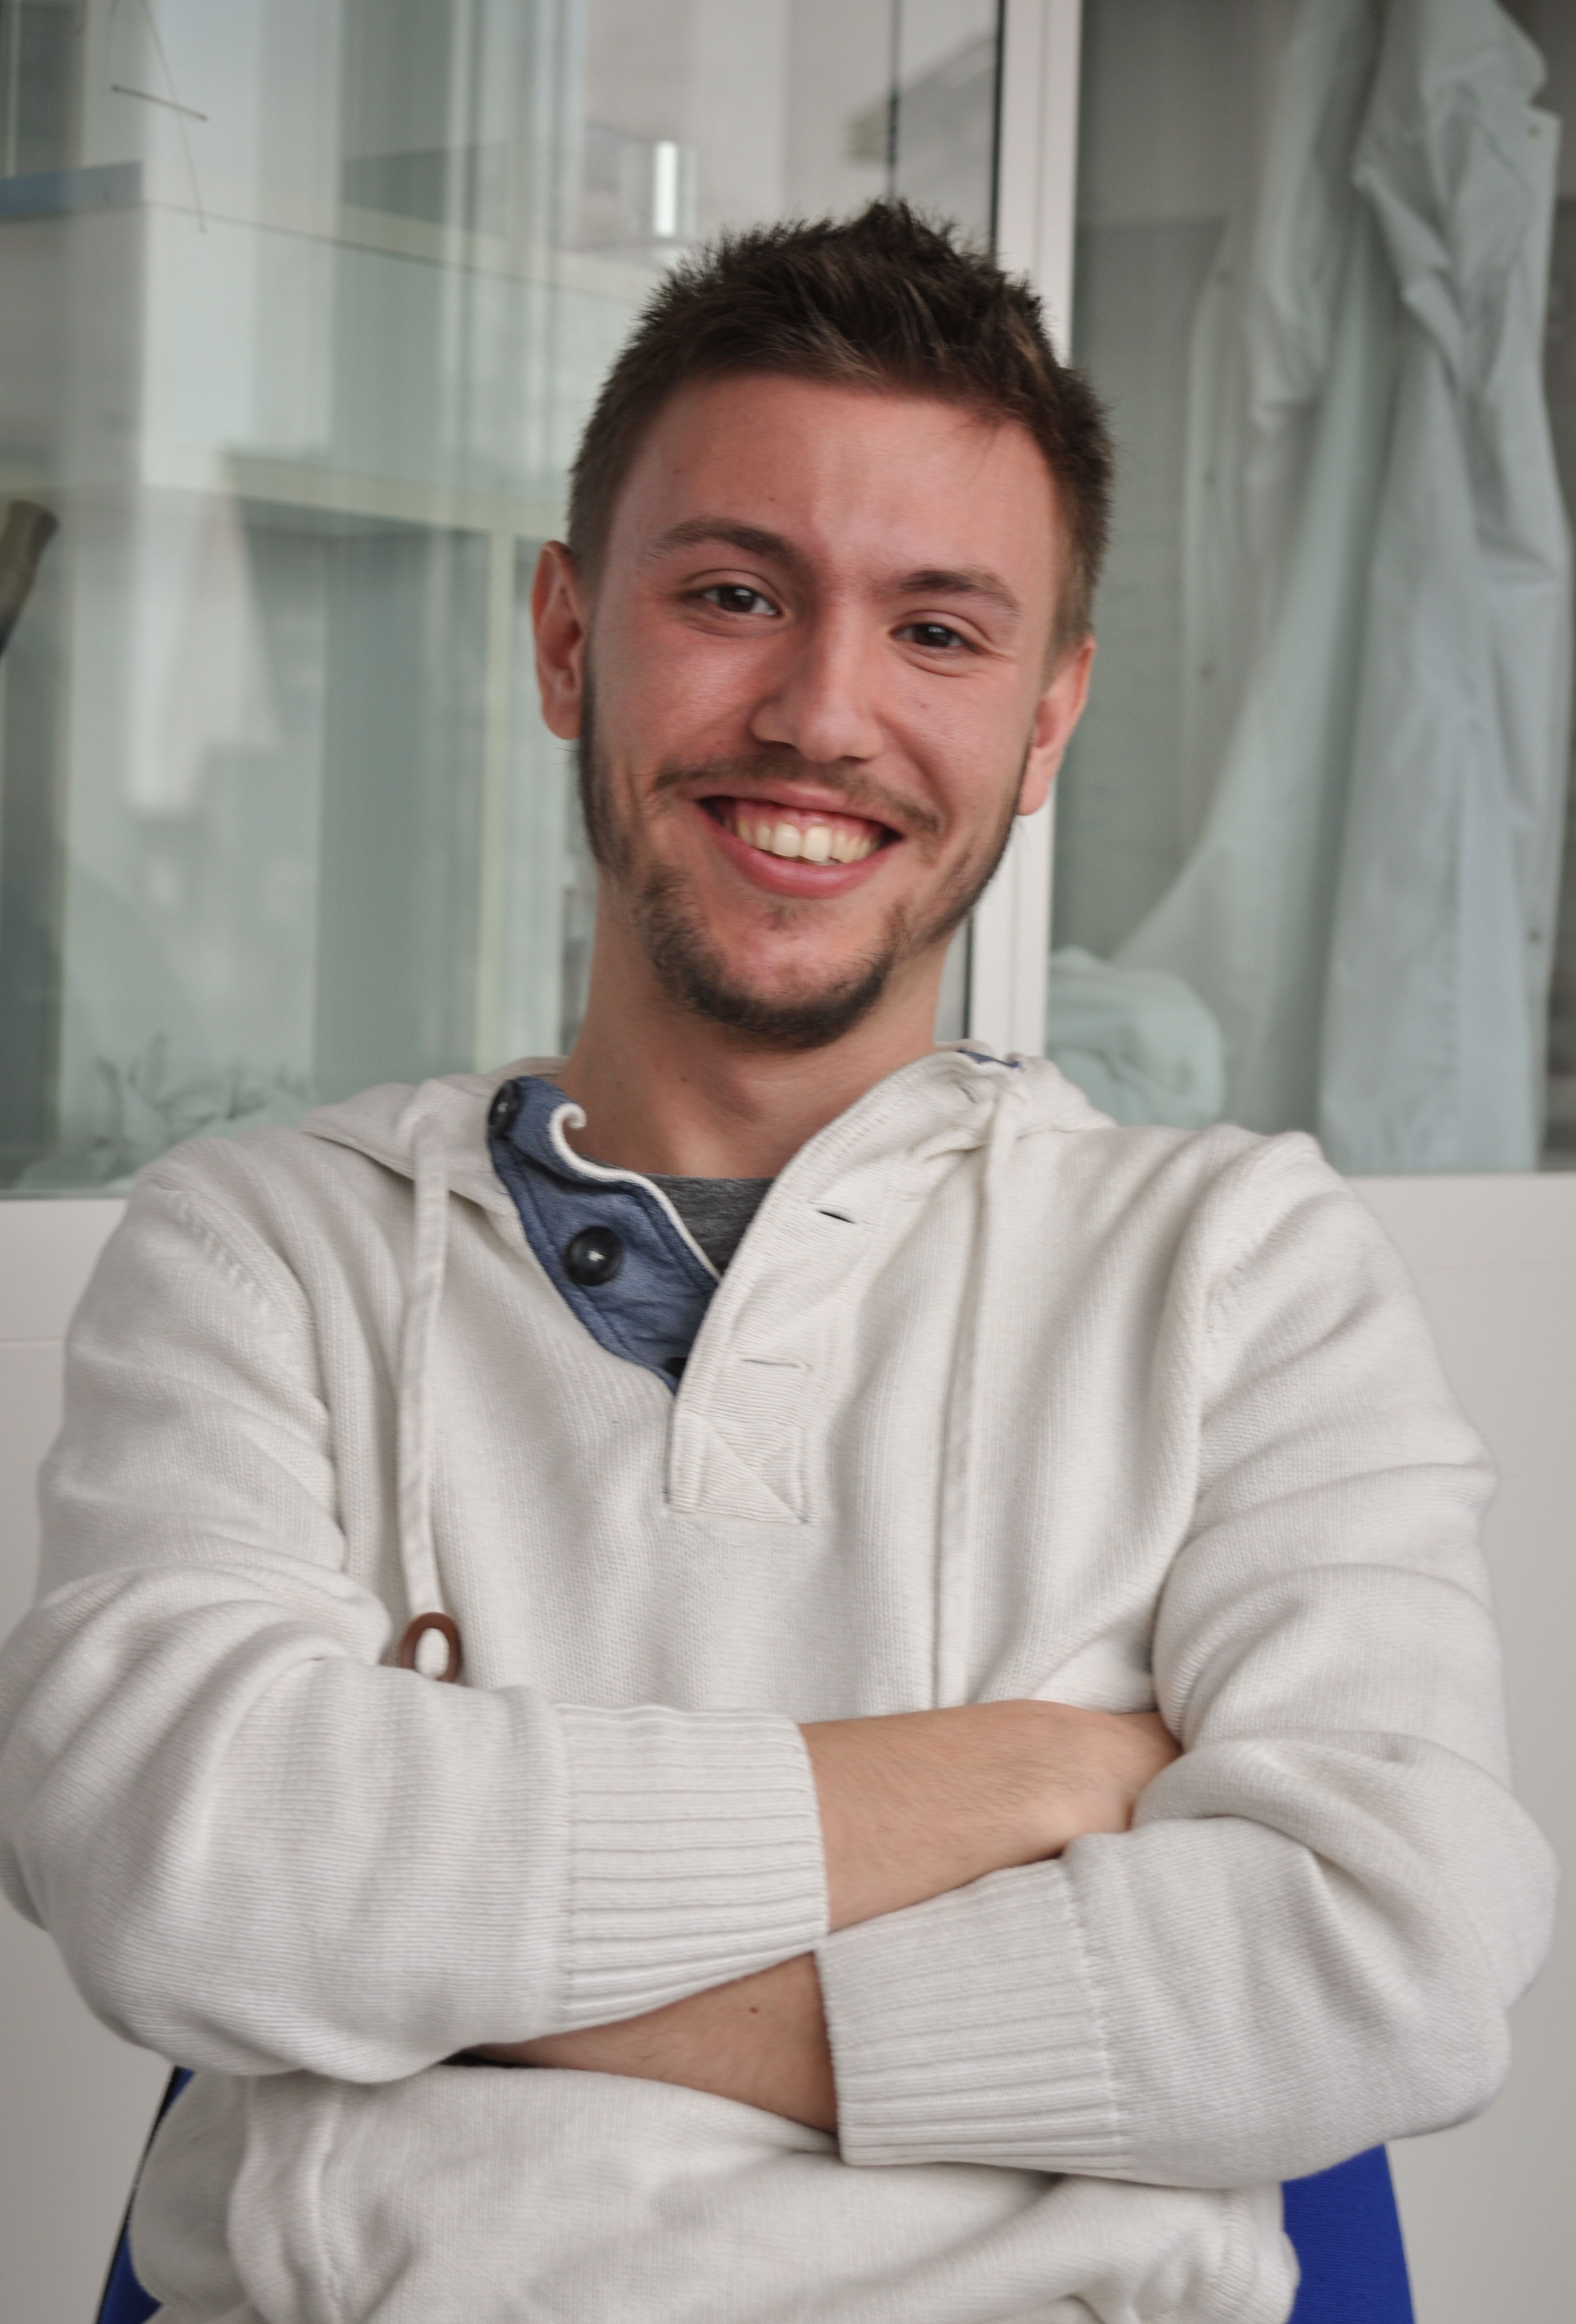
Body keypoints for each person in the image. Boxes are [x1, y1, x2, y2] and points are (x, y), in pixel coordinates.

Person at [0, 204, 1554, 2324]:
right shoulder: (266, 1249)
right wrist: (1015, 1781)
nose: (823, 714)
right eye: (733, 595)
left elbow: (1386, 1957)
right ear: (568, 638)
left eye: (940, 632)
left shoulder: (1232, 1268)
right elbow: (165, 1854)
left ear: (1049, 719)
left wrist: (465, 1974)